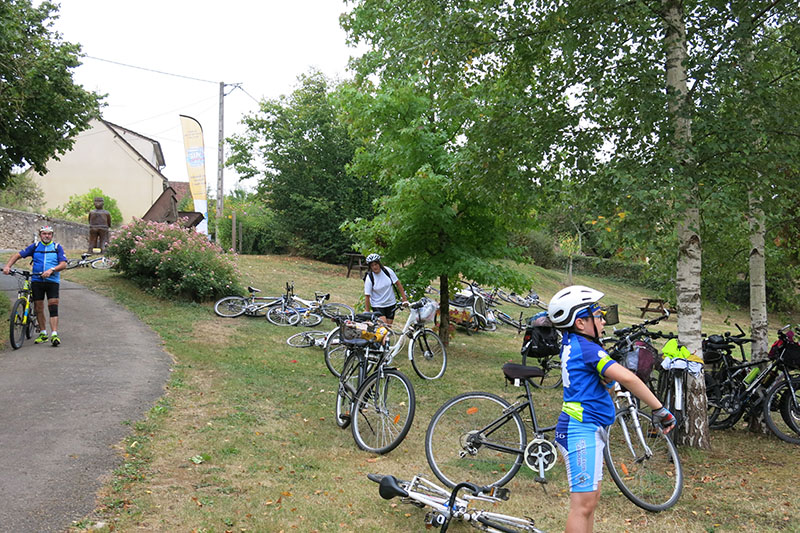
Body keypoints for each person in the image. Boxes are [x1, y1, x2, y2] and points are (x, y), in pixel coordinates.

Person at [548, 285, 675, 533]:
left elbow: (597, 379)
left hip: (589, 428)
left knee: (590, 501)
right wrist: (660, 410)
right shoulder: (588, 349)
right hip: (579, 430)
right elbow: (629, 379)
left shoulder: (575, 343)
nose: (604, 319)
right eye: (598, 314)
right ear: (580, 322)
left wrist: (604, 380)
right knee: (582, 505)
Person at [3, 225, 68, 346]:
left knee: (52, 305)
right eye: (44, 234)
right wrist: (8, 266)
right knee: (38, 307)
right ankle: (43, 333)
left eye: (49, 234)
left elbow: (63, 264)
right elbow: (17, 255)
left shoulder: (57, 247)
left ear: (52, 235)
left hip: (52, 281)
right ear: (40, 235)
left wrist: (51, 270)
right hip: (37, 280)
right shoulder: (35, 246)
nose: (46, 236)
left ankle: (54, 334)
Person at [363, 253, 408, 326]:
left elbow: (398, 284)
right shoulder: (370, 277)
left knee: (389, 329)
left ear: (379, 264)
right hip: (378, 305)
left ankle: (379, 337)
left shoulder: (387, 271)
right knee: (384, 327)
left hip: (390, 303)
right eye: (372, 265)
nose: (374, 267)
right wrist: (367, 311)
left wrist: (404, 298)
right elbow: (367, 296)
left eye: (376, 264)